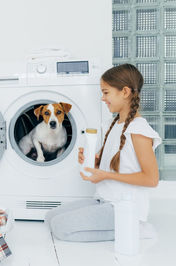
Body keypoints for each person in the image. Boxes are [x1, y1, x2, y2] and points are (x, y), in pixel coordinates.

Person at [45, 63, 161, 242]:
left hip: (123, 206)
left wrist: (105, 175)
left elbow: (151, 179)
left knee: (60, 227)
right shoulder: (112, 124)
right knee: (50, 218)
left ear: (124, 92)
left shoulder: (139, 130)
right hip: (104, 198)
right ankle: (126, 227)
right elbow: (109, 164)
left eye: (106, 92)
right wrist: (92, 162)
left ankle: (135, 228)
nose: (102, 98)